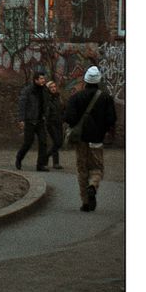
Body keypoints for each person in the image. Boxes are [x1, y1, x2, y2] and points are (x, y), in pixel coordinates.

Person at [64, 65, 116, 212]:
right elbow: (111, 119)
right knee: (97, 168)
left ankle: (85, 202)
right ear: (98, 81)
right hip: (97, 139)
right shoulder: (106, 98)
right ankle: (93, 185)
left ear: (85, 81)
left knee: (82, 169)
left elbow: (69, 117)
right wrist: (103, 130)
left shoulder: (76, 97)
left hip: (80, 139)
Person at [15, 67, 50, 171]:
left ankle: (40, 165)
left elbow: (47, 103)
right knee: (28, 142)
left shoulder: (44, 90)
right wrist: (21, 119)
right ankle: (19, 157)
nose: (43, 80)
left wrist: (46, 114)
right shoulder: (28, 90)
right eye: (41, 79)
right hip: (30, 120)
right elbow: (22, 104)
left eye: (44, 78)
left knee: (43, 142)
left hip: (40, 120)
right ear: (36, 80)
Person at [45, 79, 64, 169]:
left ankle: (54, 161)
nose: (53, 88)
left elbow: (62, 109)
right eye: (51, 87)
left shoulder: (58, 97)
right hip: (51, 123)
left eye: (54, 87)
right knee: (56, 141)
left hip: (59, 122)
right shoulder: (47, 99)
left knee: (59, 142)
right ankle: (50, 159)